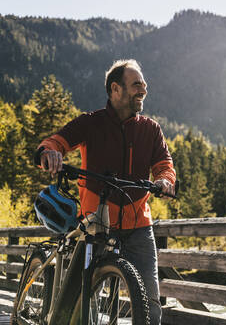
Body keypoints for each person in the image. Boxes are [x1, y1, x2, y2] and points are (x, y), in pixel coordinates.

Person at [34, 59, 176, 325]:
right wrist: (50, 151)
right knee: (84, 302)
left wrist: (166, 180)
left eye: (144, 85)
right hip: (96, 224)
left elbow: (164, 166)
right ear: (115, 89)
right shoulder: (91, 123)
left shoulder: (150, 129)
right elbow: (56, 141)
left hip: (138, 226)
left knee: (150, 302)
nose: (143, 90)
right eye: (136, 85)